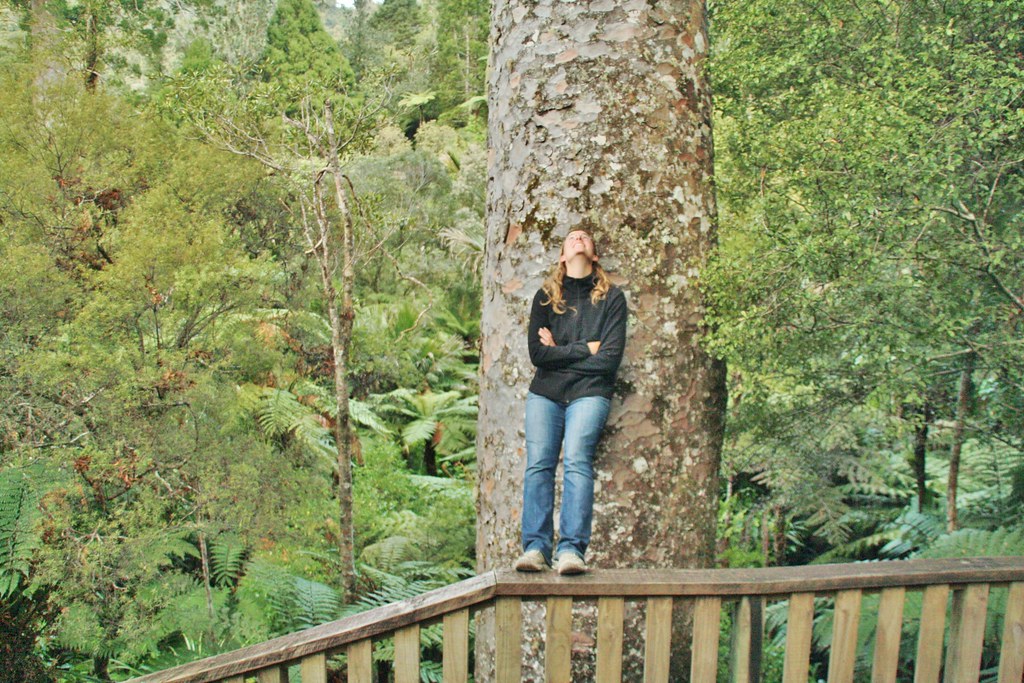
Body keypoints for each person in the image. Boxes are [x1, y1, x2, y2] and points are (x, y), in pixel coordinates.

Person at [514, 229, 628, 575]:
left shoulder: (612, 299)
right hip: (546, 394)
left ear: (594, 254)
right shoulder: (545, 297)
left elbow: (609, 360)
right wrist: (585, 348)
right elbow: (537, 355)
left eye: (585, 237)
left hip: (590, 392)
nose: (578, 239)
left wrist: (558, 352)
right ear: (562, 255)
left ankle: (571, 552)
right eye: (572, 237)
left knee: (577, 461)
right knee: (539, 466)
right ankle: (535, 548)